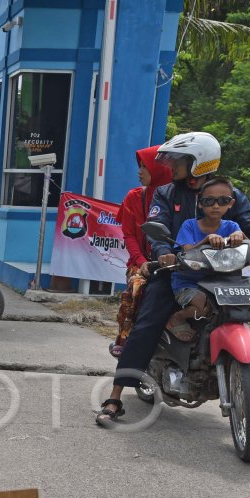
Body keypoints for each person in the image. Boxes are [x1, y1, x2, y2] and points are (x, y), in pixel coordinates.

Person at [95, 131, 250, 425]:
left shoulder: (230, 194)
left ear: (198, 162)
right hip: (177, 273)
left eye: (178, 160)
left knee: (237, 320)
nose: (171, 166)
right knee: (148, 319)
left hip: (222, 273)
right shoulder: (167, 193)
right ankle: (115, 397)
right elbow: (157, 226)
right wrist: (163, 252)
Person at [164, 176, 245, 339]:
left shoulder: (232, 226)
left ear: (231, 204)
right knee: (203, 306)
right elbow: (186, 251)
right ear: (200, 204)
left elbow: (246, 243)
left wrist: (240, 235)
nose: (216, 206)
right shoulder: (189, 225)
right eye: (209, 201)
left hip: (219, 281)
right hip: (187, 282)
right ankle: (177, 318)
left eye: (223, 200)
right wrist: (206, 240)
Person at [114, 146, 173, 358]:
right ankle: (124, 340)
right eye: (139, 167)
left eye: (144, 167)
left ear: (159, 169)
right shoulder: (134, 197)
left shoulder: (176, 197)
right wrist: (140, 262)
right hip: (141, 262)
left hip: (173, 261)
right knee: (135, 288)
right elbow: (129, 235)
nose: (139, 172)